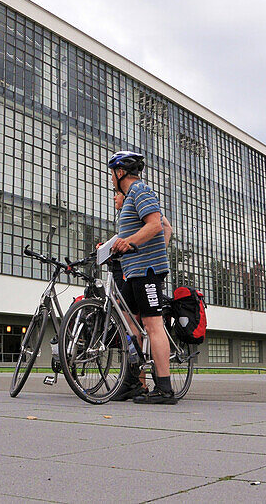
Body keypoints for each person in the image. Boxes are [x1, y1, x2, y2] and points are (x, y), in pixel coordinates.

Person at [108, 150, 177, 404]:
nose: (111, 179)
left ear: (120, 172)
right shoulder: (128, 199)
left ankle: (165, 389)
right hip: (133, 272)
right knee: (129, 325)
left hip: (147, 271)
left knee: (152, 325)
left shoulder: (141, 191)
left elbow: (156, 225)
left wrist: (131, 243)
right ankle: (134, 383)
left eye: (112, 174)